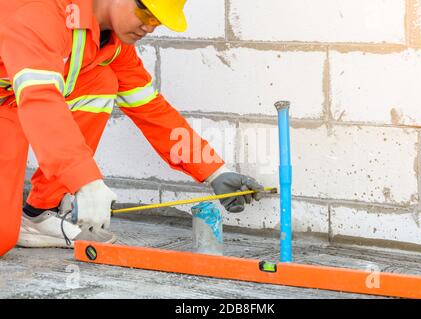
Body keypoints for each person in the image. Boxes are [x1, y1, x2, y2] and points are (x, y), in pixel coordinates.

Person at [0, 0, 264, 255]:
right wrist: (85, 181)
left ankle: (36, 214)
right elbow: (41, 100)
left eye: (157, 21)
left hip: (10, 102)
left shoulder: (109, 43)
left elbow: (152, 111)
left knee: (100, 81)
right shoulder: (38, 11)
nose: (150, 27)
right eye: (147, 13)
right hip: (21, 102)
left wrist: (215, 171)